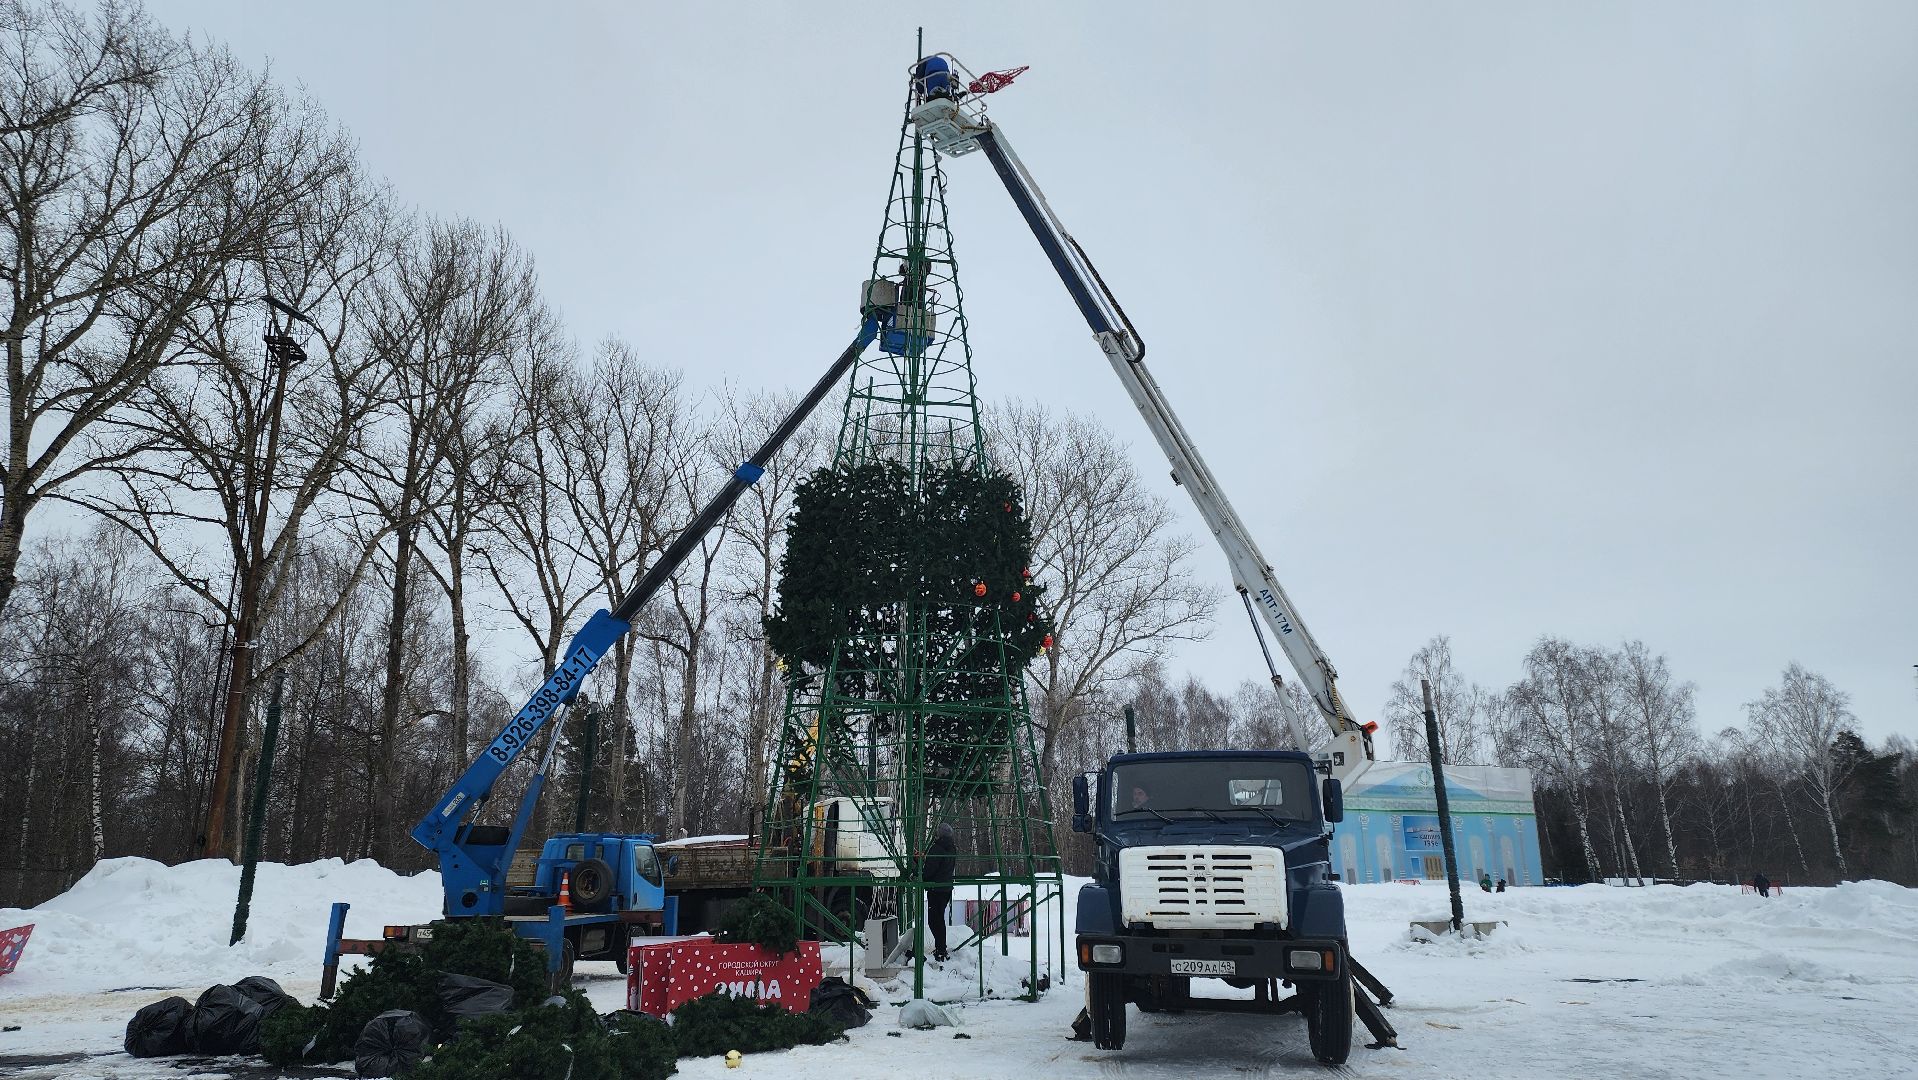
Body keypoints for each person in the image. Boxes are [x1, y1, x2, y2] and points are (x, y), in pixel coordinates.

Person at [924, 822, 958, 962]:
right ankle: (940, 948)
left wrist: (919, 871)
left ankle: (941, 949)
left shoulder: (936, 849)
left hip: (935, 889)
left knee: (934, 921)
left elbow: (930, 870)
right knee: (940, 919)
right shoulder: (952, 849)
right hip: (946, 889)